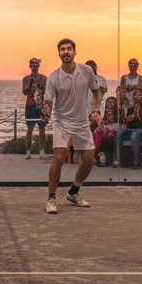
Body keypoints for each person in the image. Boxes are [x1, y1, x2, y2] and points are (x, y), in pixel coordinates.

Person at [40, 38, 101, 212]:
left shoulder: (87, 70)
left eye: (69, 49)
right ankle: (51, 199)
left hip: (81, 121)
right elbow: (48, 102)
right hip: (61, 121)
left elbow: (96, 92)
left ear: (75, 52)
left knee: (89, 160)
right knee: (59, 157)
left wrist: (96, 110)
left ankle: (73, 192)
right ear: (59, 54)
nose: (66, 52)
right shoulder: (53, 77)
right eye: (62, 49)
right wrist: (46, 111)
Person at [116, 88, 142, 170]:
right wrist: (135, 112)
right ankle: (117, 160)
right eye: (136, 95)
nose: (137, 97)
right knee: (120, 132)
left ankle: (136, 161)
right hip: (131, 130)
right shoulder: (130, 109)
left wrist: (139, 111)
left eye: (139, 95)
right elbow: (127, 120)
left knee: (135, 134)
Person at [21, 57, 48, 160]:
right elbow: (24, 92)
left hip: (41, 105)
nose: (34, 67)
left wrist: (41, 86)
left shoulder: (44, 78)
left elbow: (47, 91)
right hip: (30, 104)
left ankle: (42, 151)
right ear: (29, 66)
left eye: (35, 65)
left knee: (42, 128)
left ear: (38, 66)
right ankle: (28, 151)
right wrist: (31, 84)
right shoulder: (26, 79)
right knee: (30, 128)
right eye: (32, 65)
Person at [93, 96, 120, 167]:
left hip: (115, 131)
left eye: (112, 102)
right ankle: (98, 155)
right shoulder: (103, 114)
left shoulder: (118, 114)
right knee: (97, 132)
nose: (110, 103)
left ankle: (112, 158)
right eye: (108, 102)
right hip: (105, 131)